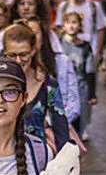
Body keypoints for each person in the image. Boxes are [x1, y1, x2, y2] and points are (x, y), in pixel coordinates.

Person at [2, 22, 71, 151]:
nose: (18, 61)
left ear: (33, 51)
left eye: (23, 55)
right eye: (12, 55)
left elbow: (61, 131)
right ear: (5, 52)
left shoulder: (48, 86)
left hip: (38, 161)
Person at [22, 17, 83, 146]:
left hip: (52, 137)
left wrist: (47, 121)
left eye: (34, 33)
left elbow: (74, 104)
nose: (30, 37)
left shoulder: (61, 63)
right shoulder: (17, 67)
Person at [57, 0, 106, 105]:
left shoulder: (94, 6)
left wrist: (97, 52)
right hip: (68, 51)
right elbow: (58, 28)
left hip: (87, 53)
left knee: (86, 86)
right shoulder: (64, 6)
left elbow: (101, 29)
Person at [59, 10, 94, 141]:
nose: (71, 26)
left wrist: (92, 93)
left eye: (74, 22)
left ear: (79, 25)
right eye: (68, 23)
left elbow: (90, 70)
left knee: (78, 124)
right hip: (61, 89)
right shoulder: (58, 44)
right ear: (63, 25)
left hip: (80, 89)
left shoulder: (85, 47)